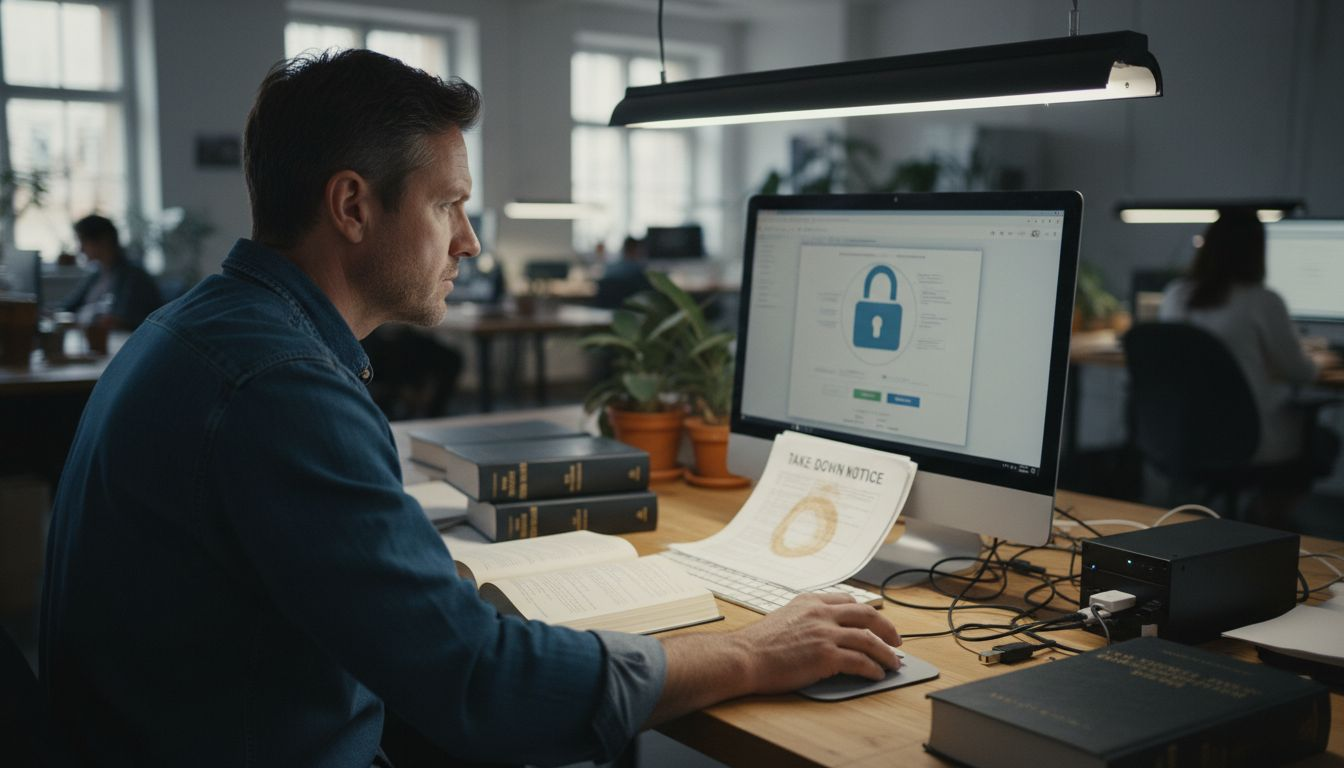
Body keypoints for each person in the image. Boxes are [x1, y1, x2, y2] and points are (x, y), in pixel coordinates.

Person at [40, 50, 902, 767]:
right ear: (352, 206)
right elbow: (484, 688)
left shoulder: (203, 326)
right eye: (448, 204)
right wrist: (750, 651)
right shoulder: (280, 386)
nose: (470, 240)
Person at [1158, 209, 1341, 515]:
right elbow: (1301, 372)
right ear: (1257, 252)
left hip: (1185, 435)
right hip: (1251, 440)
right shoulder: (1262, 300)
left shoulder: (1176, 295)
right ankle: (1267, 518)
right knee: (1324, 442)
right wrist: (1321, 359)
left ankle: (1249, 519)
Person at [59, 214, 163, 330]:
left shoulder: (134, 277)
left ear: (104, 240)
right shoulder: (96, 274)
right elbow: (68, 307)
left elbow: (120, 321)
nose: (81, 249)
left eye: (83, 241)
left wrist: (82, 321)